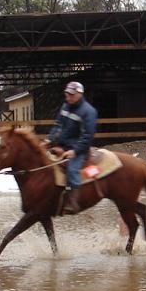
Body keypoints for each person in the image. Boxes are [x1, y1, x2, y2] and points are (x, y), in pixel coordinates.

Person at [43, 81, 98, 214]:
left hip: (78, 149)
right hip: (63, 145)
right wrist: (48, 139)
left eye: (71, 95)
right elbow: (58, 125)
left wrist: (75, 151)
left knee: (72, 169)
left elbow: (87, 135)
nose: (68, 97)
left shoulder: (88, 112)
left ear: (79, 94)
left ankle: (73, 202)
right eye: (67, 94)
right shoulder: (65, 107)